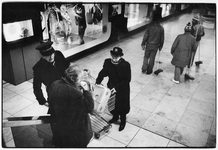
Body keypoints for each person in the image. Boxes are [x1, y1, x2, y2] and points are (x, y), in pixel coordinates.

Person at [48, 64, 94, 147]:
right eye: (79, 79)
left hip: (59, 125)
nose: (80, 81)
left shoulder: (55, 84)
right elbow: (90, 107)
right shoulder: (75, 93)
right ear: (72, 78)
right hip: (75, 130)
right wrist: (87, 90)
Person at [96, 47, 131, 131]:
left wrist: (116, 88)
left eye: (117, 57)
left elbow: (127, 79)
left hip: (122, 88)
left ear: (121, 56)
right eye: (113, 56)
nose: (114, 59)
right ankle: (115, 117)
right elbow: (103, 72)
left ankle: (123, 121)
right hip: (111, 86)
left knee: (122, 105)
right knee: (113, 103)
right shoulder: (108, 62)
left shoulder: (125, 65)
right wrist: (98, 81)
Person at [33, 41, 69, 107]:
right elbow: (36, 86)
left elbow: (67, 66)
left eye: (52, 54)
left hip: (67, 88)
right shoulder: (38, 68)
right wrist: (42, 101)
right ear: (42, 56)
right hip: (54, 93)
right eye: (47, 55)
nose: (51, 57)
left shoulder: (58, 54)